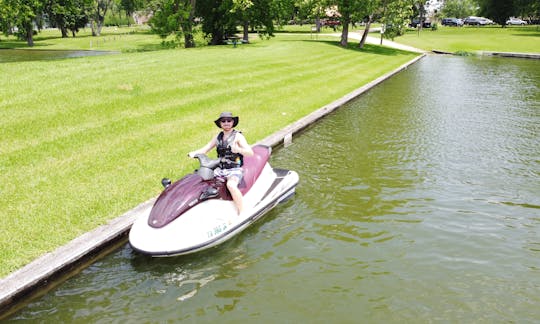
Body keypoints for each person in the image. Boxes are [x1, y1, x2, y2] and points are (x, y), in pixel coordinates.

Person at [188, 112, 254, 215]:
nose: (226, 123)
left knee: (231, 185)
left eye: (229, 120)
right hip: (220, 169)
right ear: (220, 123)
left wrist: (238, 149)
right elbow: (206, 148)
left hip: (234, 169)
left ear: (233, 122)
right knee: (202, 180)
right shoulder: (218, 137)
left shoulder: (238, 136)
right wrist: (194, 153)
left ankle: (242, 211)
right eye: (223, 121)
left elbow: (250, 152)